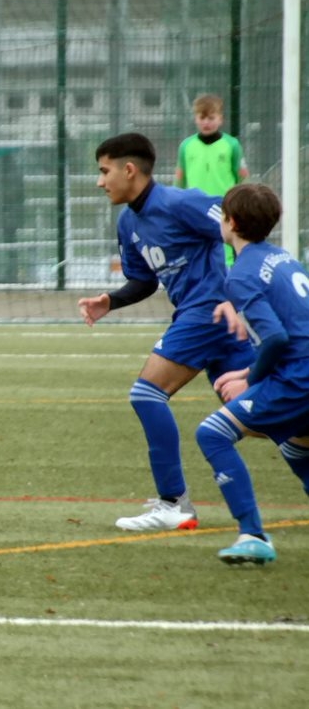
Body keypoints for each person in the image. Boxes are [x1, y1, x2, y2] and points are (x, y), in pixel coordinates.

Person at [78, 132, 255, 532]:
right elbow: (142, 281)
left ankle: (173, 503)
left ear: (129, 170)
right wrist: (110, 300)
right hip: (210, 320)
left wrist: (244, 294)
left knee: (146, 393)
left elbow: (241, 228)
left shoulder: (181, 202)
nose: (99, 181)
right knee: (265, 414)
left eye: (104, 171)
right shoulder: (129, 223)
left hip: (207, 311)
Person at [197, 183, 307, 565]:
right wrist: (248, 368)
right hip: (301, 367)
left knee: (211, 433)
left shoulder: (241, 273)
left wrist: (249, 379)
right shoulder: (283, 257)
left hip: (297, 377)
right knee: (297, 445)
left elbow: (275, 336)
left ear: (231, 222)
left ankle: (252, 534)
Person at [174, 93, 250, 267]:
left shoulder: (231, 145)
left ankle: (227, 285)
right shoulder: (186, 146)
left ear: (220, 119)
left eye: (211, 117)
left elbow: (242, 177)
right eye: (202, 117)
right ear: (196, 119)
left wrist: (240, 204)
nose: (206, 122)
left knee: (225, 251)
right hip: (195, 208)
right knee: (197, 249)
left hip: (223, 208)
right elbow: (179, 180)